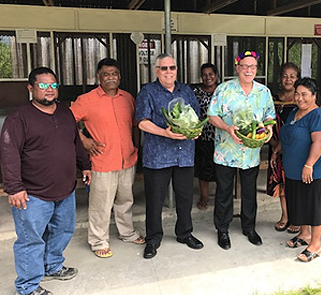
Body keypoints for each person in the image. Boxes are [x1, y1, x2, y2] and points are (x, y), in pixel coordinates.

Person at [0, 67, 91, 295]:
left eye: (53, 85)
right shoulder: (19, 118)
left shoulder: (65, 112)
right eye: (43, 85)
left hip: (65, 189)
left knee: (63, 231)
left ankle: (52, 266)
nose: (49, 90)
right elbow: (8, 153)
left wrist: (85, 166)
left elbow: (75, 144)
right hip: (32, 194)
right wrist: (14, 187)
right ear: (30, 88)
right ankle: (28, 286)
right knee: (31, 241)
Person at [70, 58, 144, 259]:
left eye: (114, 74)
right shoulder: (86, 100)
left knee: (125, 200)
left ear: (119, 77)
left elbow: (135, 125)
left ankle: (127, 233)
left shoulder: (127, 98)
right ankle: (98, 241)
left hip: (127, 159)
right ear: (98, 77)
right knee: (101, 204)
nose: (111, 77)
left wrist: (136, 147)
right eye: (106, 74)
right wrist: (84, 139)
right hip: (102, 161)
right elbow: (67, 121)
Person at [136, 53, 204, 259]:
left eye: (171, 68)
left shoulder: (186, 91)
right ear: (157, 71)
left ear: (176, 70)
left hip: (184, 155)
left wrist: (196, 130)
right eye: (163, 68)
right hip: (157, 156)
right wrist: (164, 132)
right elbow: (142, 122)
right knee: (155, 201)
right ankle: (153, 239)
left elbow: (197, 116)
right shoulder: (147, 91)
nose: (168, 72)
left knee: (185, 198)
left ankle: (185, 233)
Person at [208, 50, 276, 250]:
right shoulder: (224, 89)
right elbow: (212, 116)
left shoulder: (263, 92)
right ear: (237, 68)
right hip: (225, 151)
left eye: (252, 67)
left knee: (249, 192)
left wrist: (269, 128)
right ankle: (222, 229)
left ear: (256, 69)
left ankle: (249, 228)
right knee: (224, 193)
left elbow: (269, 116)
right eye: (244, 66)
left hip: (251, 153)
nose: (248, 70)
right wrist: (227, 128)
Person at [272, 78, 321, 262]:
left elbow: (319, 142)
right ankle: (304, 234)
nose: (299, 98)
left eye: (304, 94)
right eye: (297, 94)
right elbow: (288, 134)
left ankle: (315, 244)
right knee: (300, 203)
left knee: (314, 206)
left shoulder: (317, 116)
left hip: (313, 171)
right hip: (293, 170)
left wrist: (309, 165)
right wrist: (276, 151)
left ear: (314, 96)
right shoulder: (294, 113)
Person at [266, 62, 301, 234]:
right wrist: (274, 146)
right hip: (276, 148)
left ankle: (297, 218)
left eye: (292, 76)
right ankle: (285, 216)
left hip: (297, 149)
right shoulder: (272, 98)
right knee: (282, 183)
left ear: (297, 78)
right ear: (280, 78)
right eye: (285, 76)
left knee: (296, 184)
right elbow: (265, 122)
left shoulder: (301, 99)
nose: (288, 79)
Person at [191, 63, 218, 210]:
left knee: (220, 169)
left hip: (220, 137)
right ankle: (204, 196)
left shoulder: (222, 91)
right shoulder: (196, 92)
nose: (208, 77)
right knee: (202, 169)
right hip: (201, 136)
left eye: (211, 74)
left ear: (216, 75)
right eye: (205, 75)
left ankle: (221, 196)